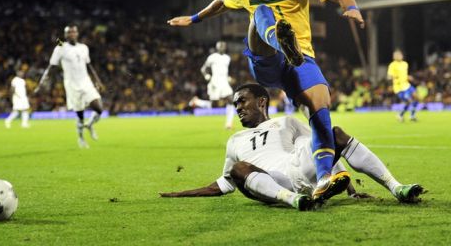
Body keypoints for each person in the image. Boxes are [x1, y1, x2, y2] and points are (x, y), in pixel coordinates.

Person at [167, 0, 365, 200]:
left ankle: (323, 181)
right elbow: (222, 3)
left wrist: (350, 6)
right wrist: (194, 19)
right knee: (261, 10)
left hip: (301, 60)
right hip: (266, 60)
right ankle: (280, 41)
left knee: (321, 112)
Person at [160, 84, 424, 210]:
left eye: (242, 101)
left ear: (262, 102)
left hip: (298, 172)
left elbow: (324, 151)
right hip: (270, 184)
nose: (238, 108)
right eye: (236, 105)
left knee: (332, 133)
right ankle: (295, 200)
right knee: (240, 168)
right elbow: (222, 184)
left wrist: (352, 191)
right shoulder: (235, 141)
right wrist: (180, 194)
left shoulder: (287, 122)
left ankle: (396, 187)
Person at [34, 25, 105, 149]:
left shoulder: (84, 48)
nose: (71, 34)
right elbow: (51, 67)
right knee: (80, 115)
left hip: (86, 82)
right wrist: (41, 83)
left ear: (77, 33)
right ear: (65, 35)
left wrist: (98, 81)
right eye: (68, 33)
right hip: (72, 85)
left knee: (99, 108)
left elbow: (89, 66)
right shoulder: (61, 47)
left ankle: (89, 125)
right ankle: (81, 138)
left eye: (73, 32)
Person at [189, 41, 235, 129]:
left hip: (224, 82)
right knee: (214, 105)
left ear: (225, 47)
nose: (221, 47)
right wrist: (207, 76)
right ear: (216, 47)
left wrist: (228, 77)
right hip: (215, 82)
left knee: (230, 100)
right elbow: (203, 69)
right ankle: (197, 102)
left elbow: (226, 70)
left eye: (223, 46)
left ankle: (229, 124)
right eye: (220, 46)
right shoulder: (212, 57)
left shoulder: (227, 58)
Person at [387, 49, 419, 122]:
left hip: (407, 85)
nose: (399, 56)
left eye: (400, 55)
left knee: (416, 97)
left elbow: (404, 75)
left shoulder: (405, 64)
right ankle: (403, 115)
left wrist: (408, 77)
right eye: (397, 55)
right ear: (394, 57)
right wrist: (393, 77)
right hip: (399, 88)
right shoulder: (392, 65)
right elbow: (389, 76)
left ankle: (411, 116)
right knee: (409, 101)